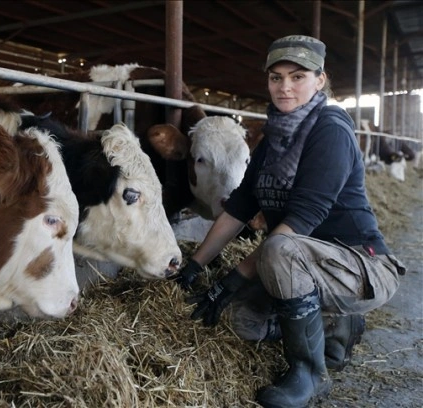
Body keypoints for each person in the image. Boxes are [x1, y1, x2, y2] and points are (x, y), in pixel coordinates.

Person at [171, 35, 406, 408]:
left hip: (361, 268)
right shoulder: (275, 136)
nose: (285, 87)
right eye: (276, 77)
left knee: (278, 250)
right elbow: (240, 206)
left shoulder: (330, 129)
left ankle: (310, 374)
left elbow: (301, 222)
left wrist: (232, 278)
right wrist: (193, 266)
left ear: (320, 80)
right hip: (304, 265)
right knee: (239, 320)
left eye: (297, 76)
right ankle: (329, 325)